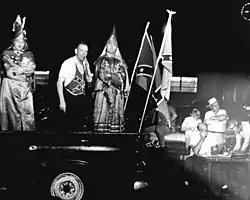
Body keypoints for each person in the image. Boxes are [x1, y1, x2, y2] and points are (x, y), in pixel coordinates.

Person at [0, 15, 36, 131]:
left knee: (27, 115)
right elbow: (9, 72)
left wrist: (20, 70)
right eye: (17, 41)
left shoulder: (29, 54)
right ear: (13, 42)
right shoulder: (6, 53)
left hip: (25, 89)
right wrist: (24, 70)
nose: (20, 44)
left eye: (22, 41)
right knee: (12, 115)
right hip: (11, 88)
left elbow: (32, 68)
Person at [93, 27, 129, 133]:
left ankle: (115, 133)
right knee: (101, 112)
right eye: (109, 44)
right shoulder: (100, 60)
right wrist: (114, 76)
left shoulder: (120, 62)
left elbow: (122, 76)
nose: (111, 46)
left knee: (116, 113)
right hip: (103, 91)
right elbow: (102, 73)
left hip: (117, 92)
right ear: (106, 46)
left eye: (114, 44)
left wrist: (114, 77)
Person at [57, 42, 93, 131]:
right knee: (70, 126)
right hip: (70, 97)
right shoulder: (68, 63)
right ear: (76, 51)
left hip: (81, 98)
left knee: (81, 125)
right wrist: (62, 101)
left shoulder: (85, 63)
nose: (83, 53)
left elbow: (88, 81)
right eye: (81, 51)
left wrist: (89, 75)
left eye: (86, 52)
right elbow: (59, 83)